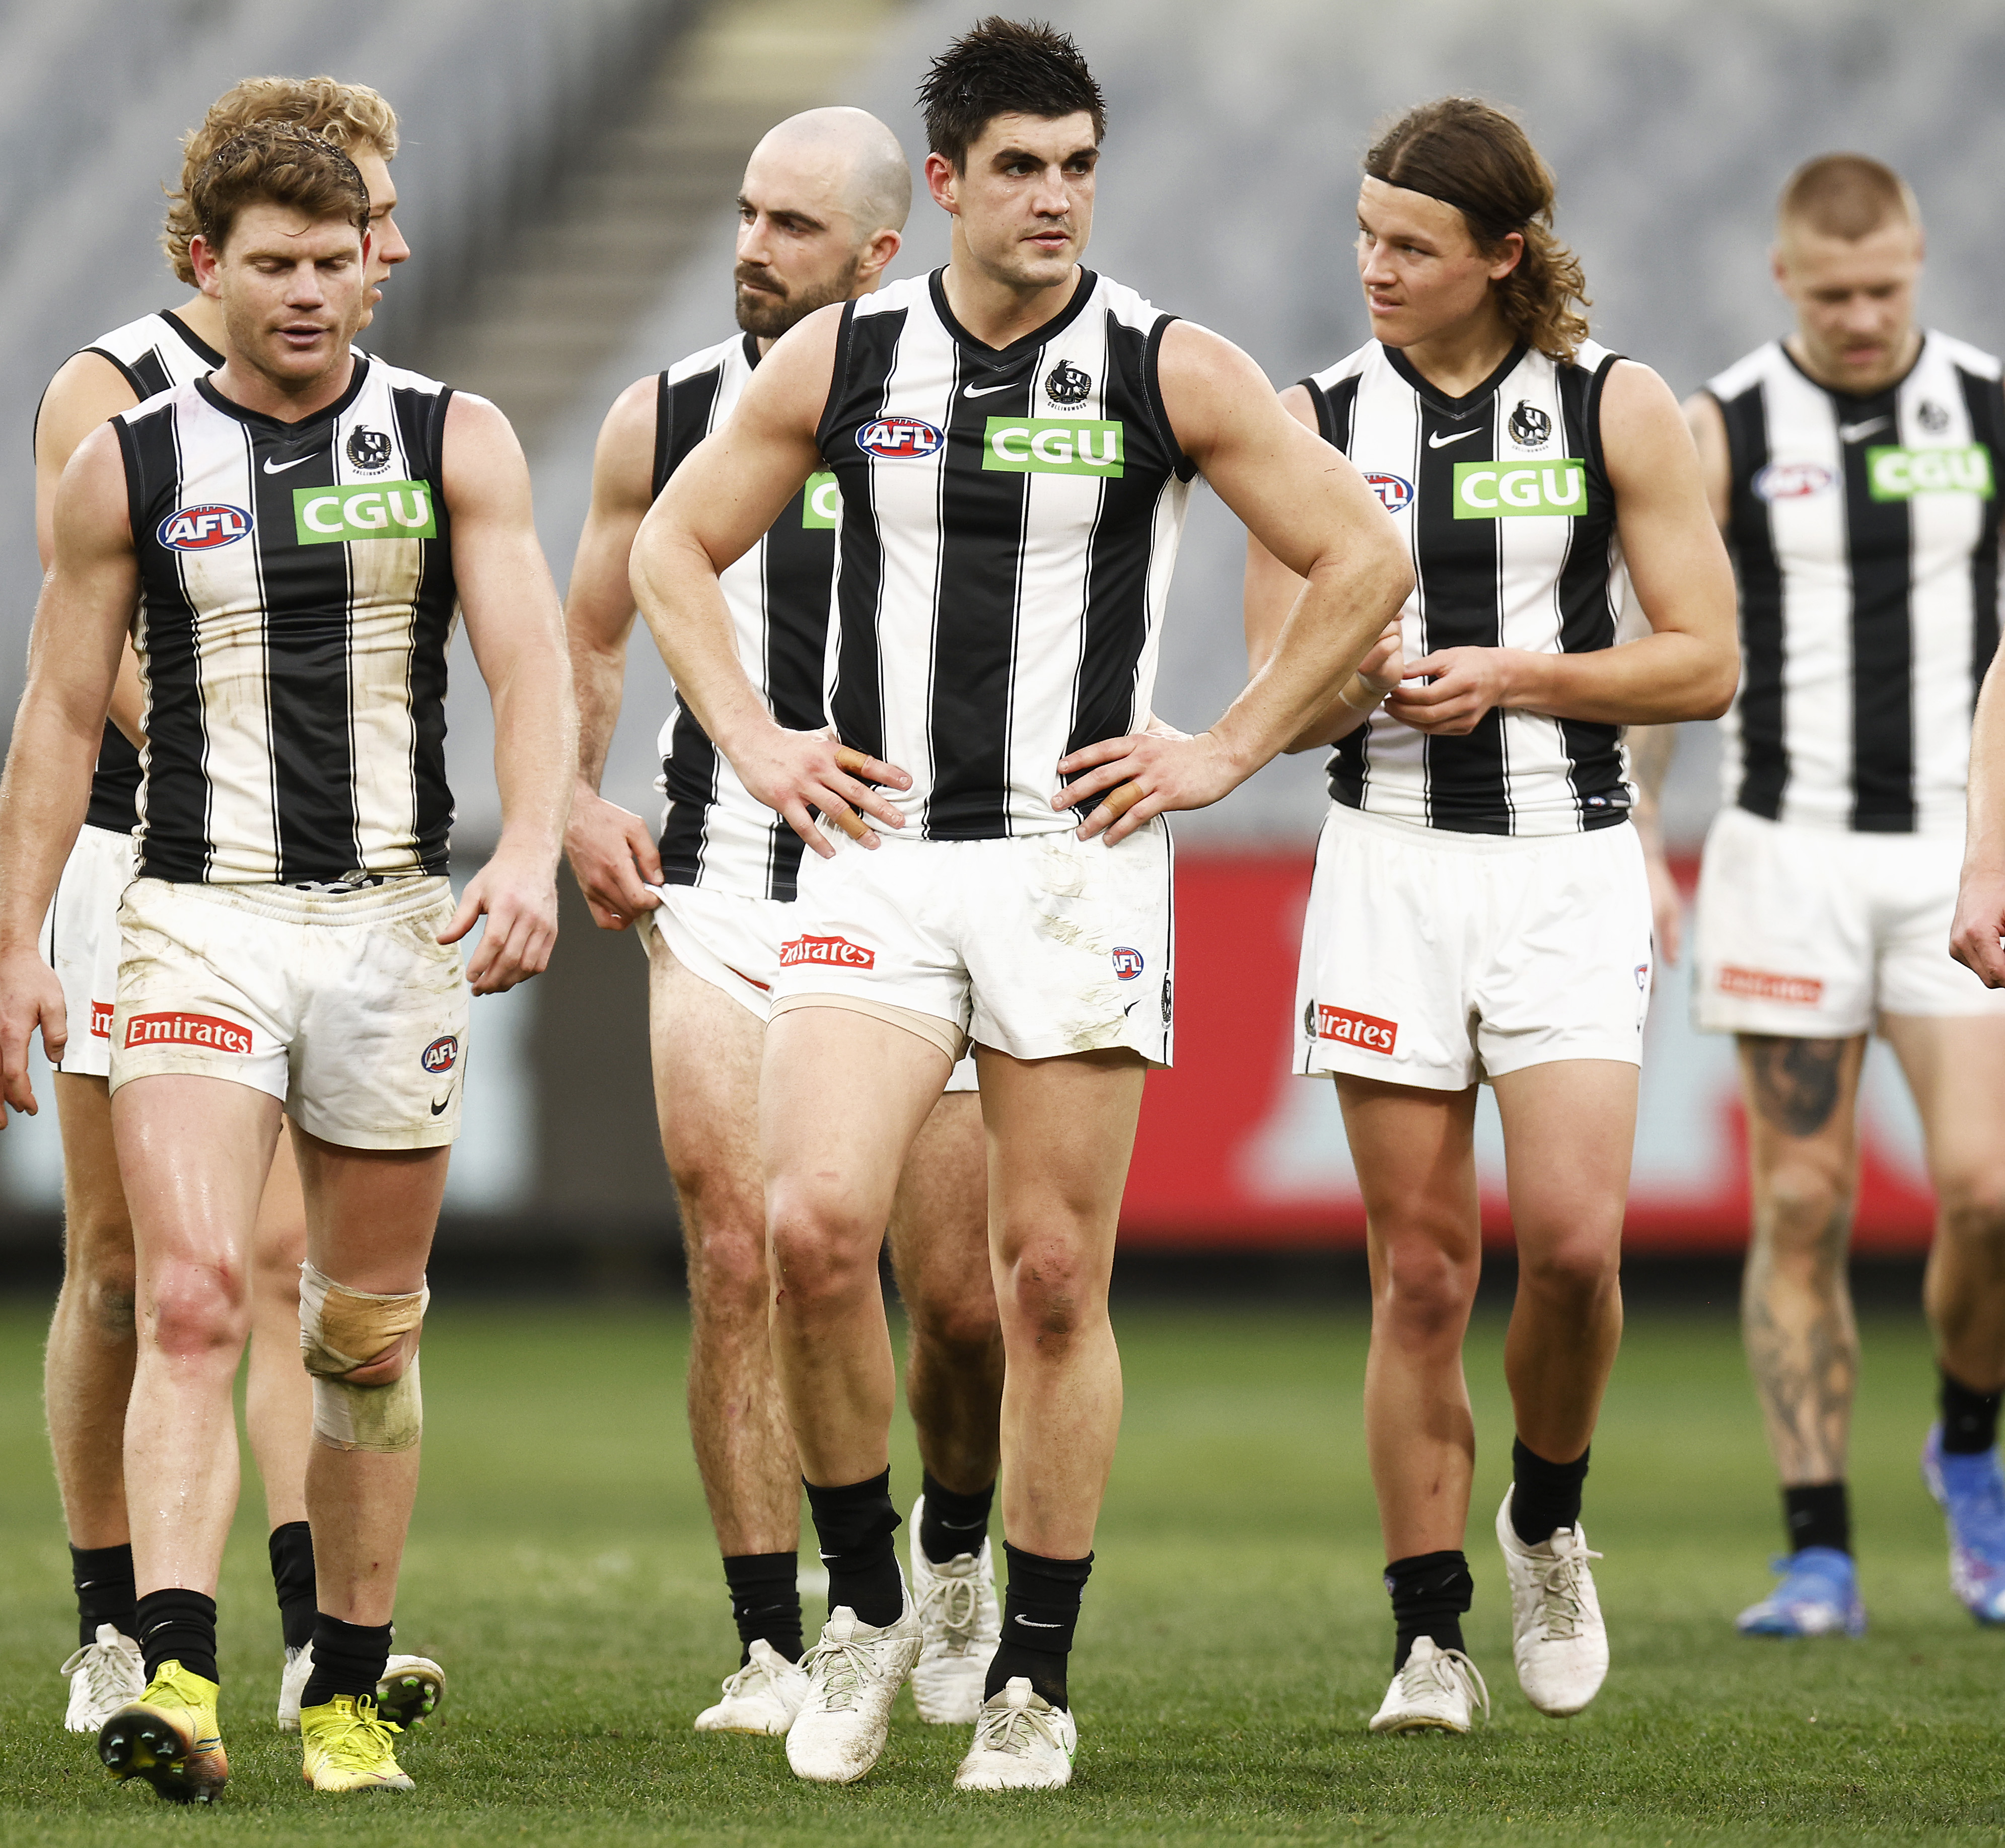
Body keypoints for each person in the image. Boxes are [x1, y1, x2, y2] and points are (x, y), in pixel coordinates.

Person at [632, 18, 1411, 1792]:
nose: (1055, 198)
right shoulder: (846, 354)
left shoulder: (1164, 363)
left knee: (1046, 1283)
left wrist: (1226, 747)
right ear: (945, 184)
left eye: (1077, 167)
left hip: (1071, 869)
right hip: (884, 857)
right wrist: (753, 739)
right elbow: (672, 545)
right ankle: (863, 1608)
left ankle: (1031, 1680)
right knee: (812, 1230)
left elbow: (1365, 556)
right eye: (1020, 169)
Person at [0, 125, 572, 1800]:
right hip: (197, 917)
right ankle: (177, 1679)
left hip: (391, 926)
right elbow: (54, 717)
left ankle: (347, 1691)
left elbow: (531, 665)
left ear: (369, 261)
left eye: (332, 260)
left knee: (365, 1337)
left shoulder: (456, 437)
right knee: (188, 1296)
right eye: (272, 263)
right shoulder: (130, 461)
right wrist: (13, 945)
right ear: (206, 267)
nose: (307, 291)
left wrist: (529, 848)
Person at [1251, 98, 1735, 1733]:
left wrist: (1515, 675)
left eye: (1412, 245)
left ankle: (1547, 1514)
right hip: (1387, 868)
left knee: (1579, 1252)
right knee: (1422, 1274)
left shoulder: (1615, 405)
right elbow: (1274, 692)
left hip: (1565, 867)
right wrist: (1348, 679)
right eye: (1365, 236)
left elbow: (1704, 660)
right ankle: (1428, 1637)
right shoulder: (1311, 419)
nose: (1375, 268)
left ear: (1505, 254)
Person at [564, 106, 1007, 1738]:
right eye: (748, 213)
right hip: (726, 883)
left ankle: (951, 1554)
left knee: (959, 1302)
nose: (752, 247)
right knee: (739, 1251)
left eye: (794, 227)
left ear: (881, 255)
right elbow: (592, 626)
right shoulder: (666, 414)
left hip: (924, 881)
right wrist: (575, 797)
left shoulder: (970, 401)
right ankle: (777, 1639)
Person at [30, 74, 430, 1740]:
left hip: (318, 886)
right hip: (143, 855)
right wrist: (249, 769)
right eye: (353, 215)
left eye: (374, 225)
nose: (378, 249)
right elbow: (95, 660)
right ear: (223, 238)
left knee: (279, 1272)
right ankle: (110, 1622)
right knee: (126, 1266)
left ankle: (304, 1629)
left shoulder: (373, 407)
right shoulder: (111, 392)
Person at [1639, 153, 2005, 1637]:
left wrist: (1996, 845)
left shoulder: (1987, 408)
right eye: (1835, 292)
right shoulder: (1722, 426)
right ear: (1786, 278)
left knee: (1986, 1190)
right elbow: (1665, 633)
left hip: (1954, 855)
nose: (1862, 316)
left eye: (1885, 288)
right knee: (1802, 1200)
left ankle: (1966, 1449)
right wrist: (1641, 829)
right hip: (1784, 851)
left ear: (1917, 266)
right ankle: (1818, 1555)